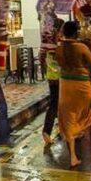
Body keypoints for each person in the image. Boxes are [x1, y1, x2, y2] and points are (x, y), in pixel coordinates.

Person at [56, 21, 91, 168]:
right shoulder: (82, 47)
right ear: (76, 33)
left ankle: (72, 156)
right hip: (81, 85)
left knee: (69, 118)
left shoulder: (59, 48)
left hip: (65, 84)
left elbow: (59, 63)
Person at [41, 17, 63, 149]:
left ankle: (48, 130)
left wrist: (47, 72)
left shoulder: (46, 43)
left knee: (54, 103)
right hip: (60, 77)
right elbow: (62, 60)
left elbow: (41, 58)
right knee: (58, 103)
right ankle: (49, 130)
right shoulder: (59, 43)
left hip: (51, 76)